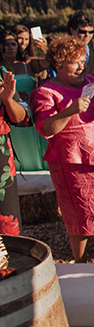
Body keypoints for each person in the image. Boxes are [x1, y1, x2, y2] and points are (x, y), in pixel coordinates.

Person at [31, 35, 94, 263]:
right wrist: (69, 110)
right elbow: (46, 129)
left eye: (82, 60)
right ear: (58, 64)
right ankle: (80, 262)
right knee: (79, 214)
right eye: (74, 61)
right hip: (72, 162)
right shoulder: (46, 92)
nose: (81, 65)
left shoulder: (93, 82)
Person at [2, 33, 49, 171]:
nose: (11, 47)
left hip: (30, 110)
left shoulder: (28, 64)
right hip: (8, 112)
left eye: (13, 44)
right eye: (7, 44)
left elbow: (53, 64)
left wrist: (44, 49)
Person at [0, 61, 31, 236]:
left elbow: (22, 118)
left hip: (1, 165)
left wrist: (7, 99)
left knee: (7, 232)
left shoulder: (1, 75)